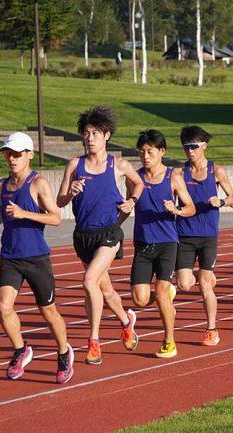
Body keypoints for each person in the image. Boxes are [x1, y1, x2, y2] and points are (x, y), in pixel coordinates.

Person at [0, 132, 73, 383]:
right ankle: (21, 349)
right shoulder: (2, 184)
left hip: (36, 258)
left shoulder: (38, 183)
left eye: (17, 154)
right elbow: (2, 208)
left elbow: (55, 218)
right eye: (8, 154)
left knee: (48, 312)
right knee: (3, 306)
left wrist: (25, 214)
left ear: (29, 155)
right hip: (10, 256)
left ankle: (64, 352)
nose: (11, 159)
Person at [57, 106, 143, 365]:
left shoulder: (118, 164)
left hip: (109, 233)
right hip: (83, 236)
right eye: (86, 133)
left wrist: (132, 201)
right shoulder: (75, 164)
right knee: (104, 289)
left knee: (89, 282)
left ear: (107, 135)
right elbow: (60, 201)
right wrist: (70, 192)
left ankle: (94, 342)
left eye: (95, 133)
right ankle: (126, 321)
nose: (90, 137)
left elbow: (138, 183)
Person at [126, 129, 195, 358]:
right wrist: (115, 224)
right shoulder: (134, 178)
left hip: (167, 243)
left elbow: (190, 207)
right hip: (143, 244)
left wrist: (176, 210)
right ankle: (165, 296)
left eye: (150, 151)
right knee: (140, 299)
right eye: (142, 152)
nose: (146, 156)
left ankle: (169, 341)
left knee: (162, 294)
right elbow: (129, 205)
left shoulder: (172, 178)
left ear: (162, 151)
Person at [175, 126, 233, 346]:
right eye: (186, 147)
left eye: (194, 146)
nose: (190, 151)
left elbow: (232, 198)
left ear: (204, 146)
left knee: (204, 285)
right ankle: (206, 276)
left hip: (208, 235)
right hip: (184, 234)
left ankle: (211, 329)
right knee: (183, 284)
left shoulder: (216, 171)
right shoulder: (179, 173)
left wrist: (220, 201)